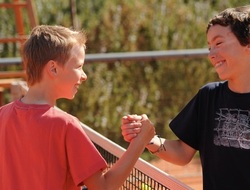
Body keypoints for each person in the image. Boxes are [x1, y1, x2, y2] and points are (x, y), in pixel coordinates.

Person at [121, 5, 250, 190]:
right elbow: (183, 153)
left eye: (219, 43)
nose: (212, 54)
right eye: (209, 47)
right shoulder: (208, 97)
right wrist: (148, 139)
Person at [0, 25, 155, 190]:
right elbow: (104, 188)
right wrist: (140, 141)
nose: (84, 75)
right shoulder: (66, 125)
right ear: (53, 68)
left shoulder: (2, 115)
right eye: (79, 66)